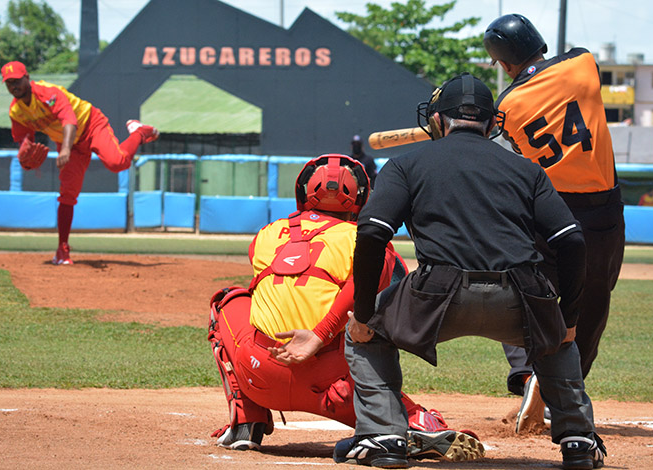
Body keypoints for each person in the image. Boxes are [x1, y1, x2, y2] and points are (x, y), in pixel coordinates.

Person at [333, 73, 606, 470]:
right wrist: (568, 318)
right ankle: (579, 439)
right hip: (521, 295)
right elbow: (571, 241)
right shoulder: (526, 169)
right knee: (557, 338)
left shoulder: (406, 164)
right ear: (492, 122)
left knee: (365, 332)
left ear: (439, 120)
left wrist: (362, 313)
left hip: (437, 295)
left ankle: (384, 435)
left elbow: (373, 234)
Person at [208, 154, 483, 461]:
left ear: (303, 192)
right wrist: (320, 333)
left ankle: (247, 420)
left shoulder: (267, 234)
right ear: (362, 198)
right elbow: (383, 290)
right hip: (334, 386)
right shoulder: (366, 240)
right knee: (376, 311)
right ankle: (414, 420)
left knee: (228, 301)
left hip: (261, 373)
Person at [483, 14, 625, 432]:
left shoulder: (508, 104)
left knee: (520, 283)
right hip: (603, 210)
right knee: (593, 298)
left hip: (550, 209)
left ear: (504, 62)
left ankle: (529, 372)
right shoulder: (583, 65)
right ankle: (565, 386)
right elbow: (563, 67)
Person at [2, 60, 159, 265]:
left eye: (16, 81)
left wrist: (65, 149)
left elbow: (69, 121)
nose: (13, 86)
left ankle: (138, 132)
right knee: (67, 194)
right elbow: (25, 143)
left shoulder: (49, 93)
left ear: (27, 78)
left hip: (90, 125)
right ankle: (62, 250)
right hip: (70, 144)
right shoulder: (16, 111)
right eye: (8, 83)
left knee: (117, 163)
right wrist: (25, 160)